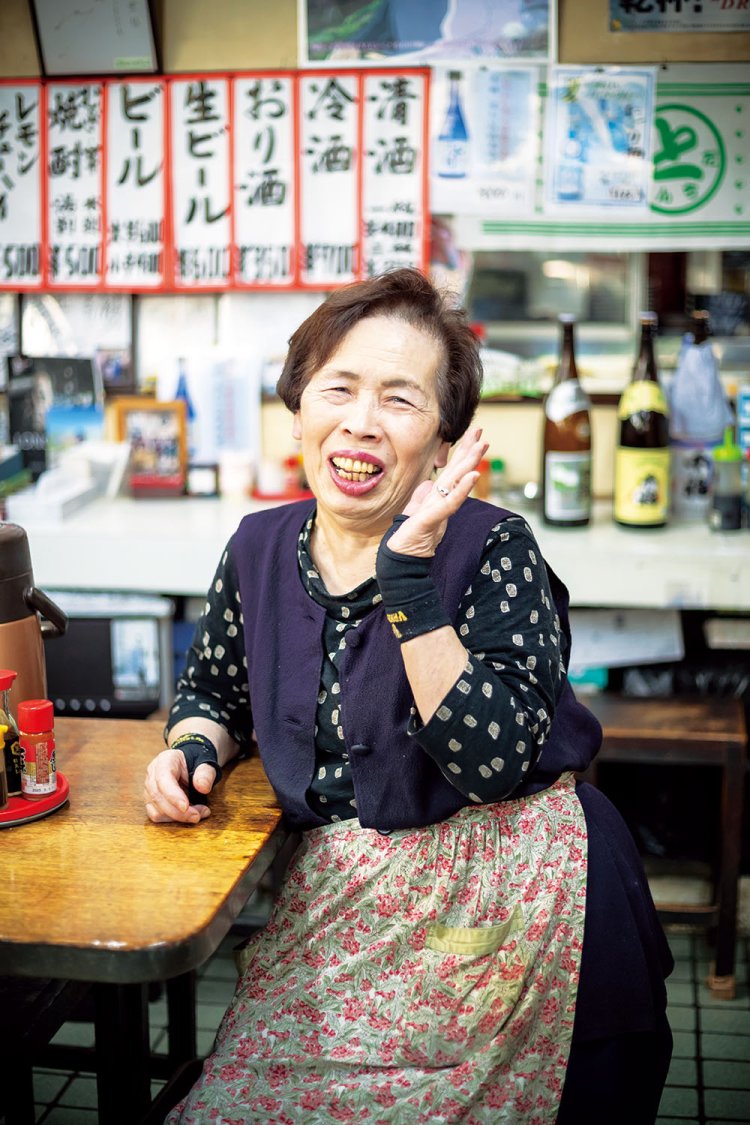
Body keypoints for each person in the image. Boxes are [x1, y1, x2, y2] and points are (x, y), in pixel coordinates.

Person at [144, 268, 673, 1124]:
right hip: (345, 909)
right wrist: (195, 747)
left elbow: (492, 762)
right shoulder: (258, 546)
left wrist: (408, 582)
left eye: (400, 399)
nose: (360, 422)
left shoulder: (497, 547)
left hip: (515, 899)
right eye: (339, 388)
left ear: (442, 441)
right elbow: (215, 687)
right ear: (300, 403)